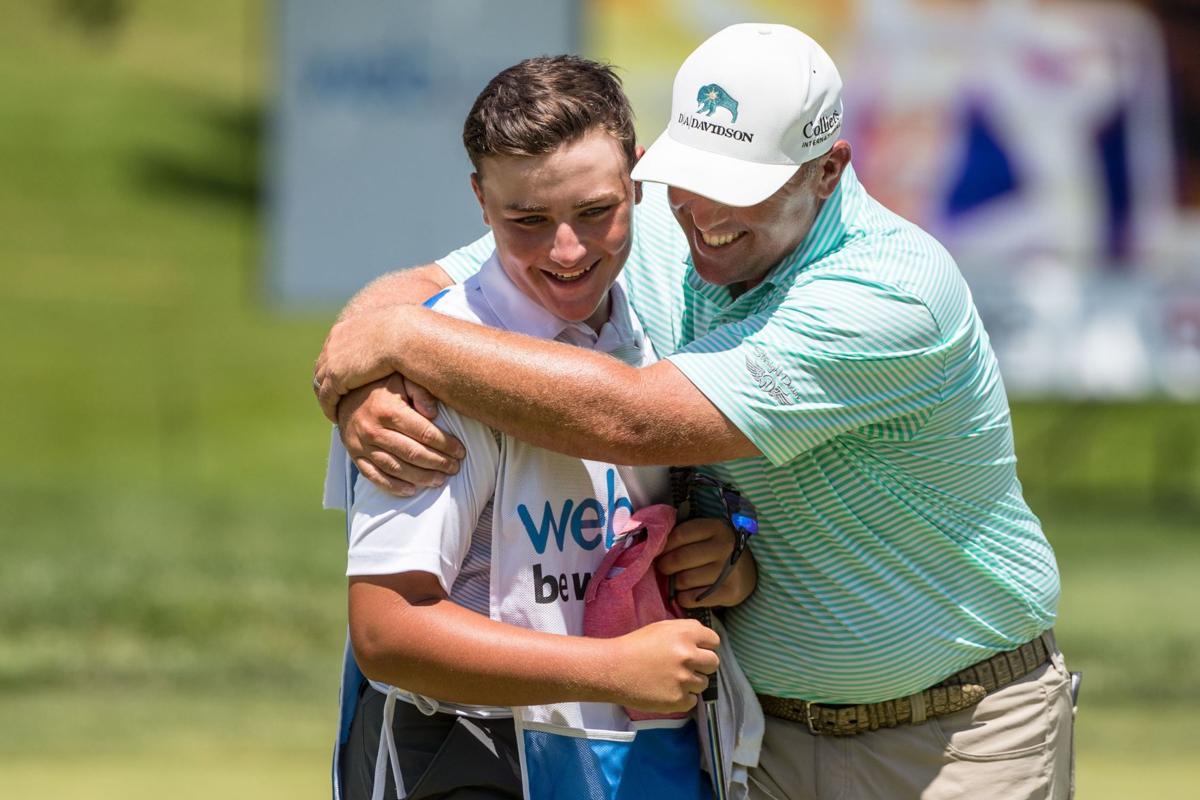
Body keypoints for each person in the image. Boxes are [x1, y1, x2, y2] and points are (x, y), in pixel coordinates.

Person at [316, 24, 1074, 800]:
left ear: (827, 171)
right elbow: (430, 290)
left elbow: (636, 420)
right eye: (691, 175)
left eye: (741, 187)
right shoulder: (627, 232)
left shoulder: (888, 292)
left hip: (955, 736)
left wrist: (404, 342)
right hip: (753, 742)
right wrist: (370, 380)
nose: (704, 212)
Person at [324, 55, 757, 800]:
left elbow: (622, 538)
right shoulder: (425, 373)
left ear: (638, 179)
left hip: (631, 761)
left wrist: (715, 561)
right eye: (527, 221)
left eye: (596, 212)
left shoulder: (656, 330)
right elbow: (388, 634)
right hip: (466, 758)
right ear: (480, 201)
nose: (567, 252)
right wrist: (613, 669)